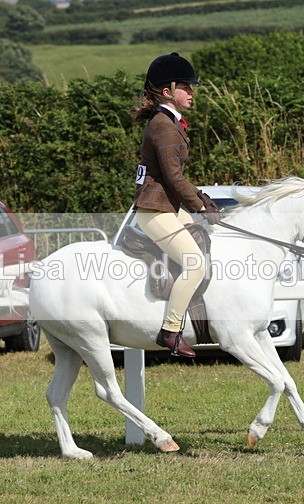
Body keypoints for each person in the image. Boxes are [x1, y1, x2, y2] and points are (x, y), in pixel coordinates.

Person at [130, 52, 220, 358]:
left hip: (166, 205)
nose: (193, 91)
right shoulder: (164, 126)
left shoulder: (168, 122)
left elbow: (176, 178)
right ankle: (170, 330)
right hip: (155, 210)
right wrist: (201, 205)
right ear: (168, 91)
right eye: (186, 86)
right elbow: (173, 176)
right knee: (195, 263)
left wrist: (203, 201)